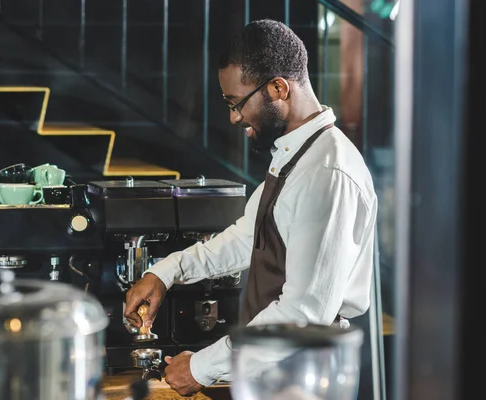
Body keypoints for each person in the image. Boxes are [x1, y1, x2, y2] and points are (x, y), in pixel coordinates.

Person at [124, 19, 378, 397]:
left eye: (237, 103)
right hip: (270, 372)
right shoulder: (298, 155)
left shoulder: (328, 173)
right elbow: (246, 238)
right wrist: (165, 272)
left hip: (306, 378)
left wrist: (200, 367)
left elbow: (302, 317)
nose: (234, 117)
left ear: (278, 88)